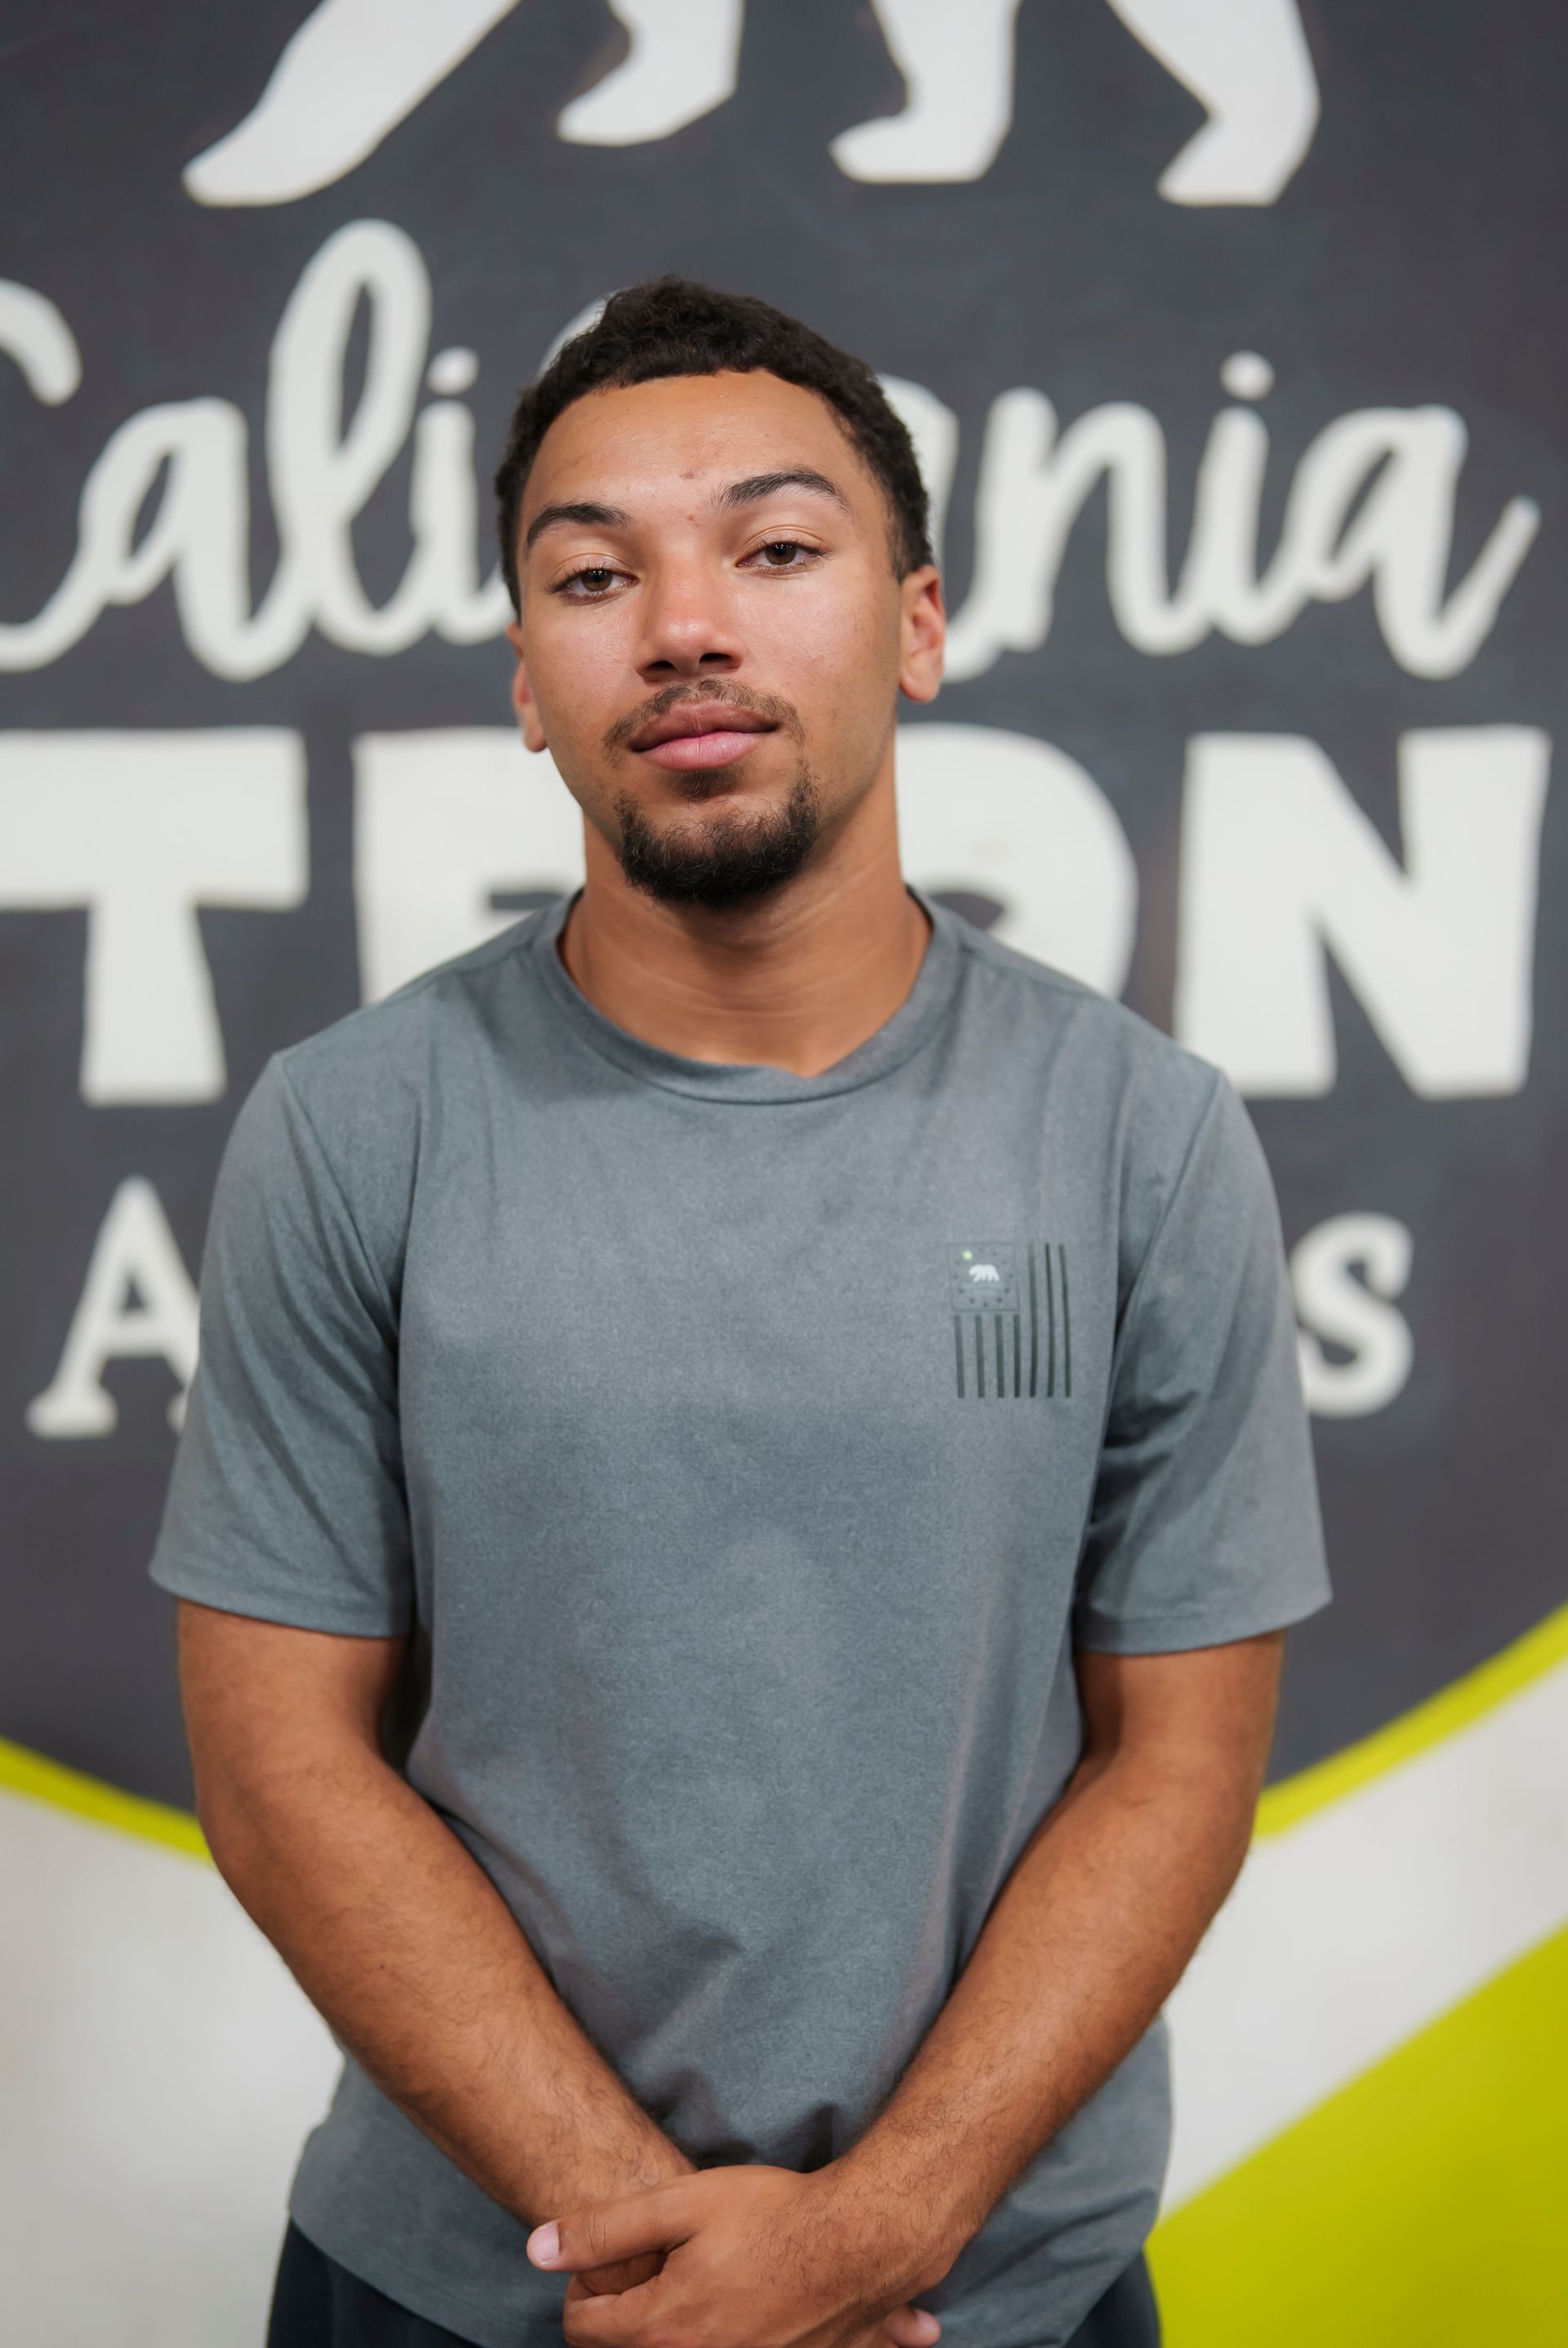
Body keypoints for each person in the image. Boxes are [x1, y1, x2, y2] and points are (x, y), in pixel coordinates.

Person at [149, 278, 1330, 2348]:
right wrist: (647, 2242)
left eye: (776, 549)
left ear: (918, 620)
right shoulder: (353, 1131)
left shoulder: (1138, 1137)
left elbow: (1179, 1766)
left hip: (987, 2295)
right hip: (475, 2287)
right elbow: (280, 1770)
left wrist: (874, 2233)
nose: (685, 623)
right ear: (528, 677)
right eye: (594, 573)